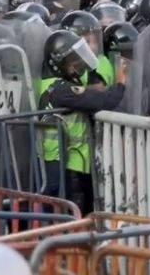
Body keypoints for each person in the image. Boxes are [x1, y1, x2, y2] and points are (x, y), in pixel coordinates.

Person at [38, 30, 126, 214]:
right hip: (64, 163)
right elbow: (104, 102)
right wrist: (120, 83)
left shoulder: (53, 84)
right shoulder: (61, 90)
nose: (78, 65)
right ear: (58, 64)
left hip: (66, 160)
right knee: (72, 213)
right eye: (73, 61)